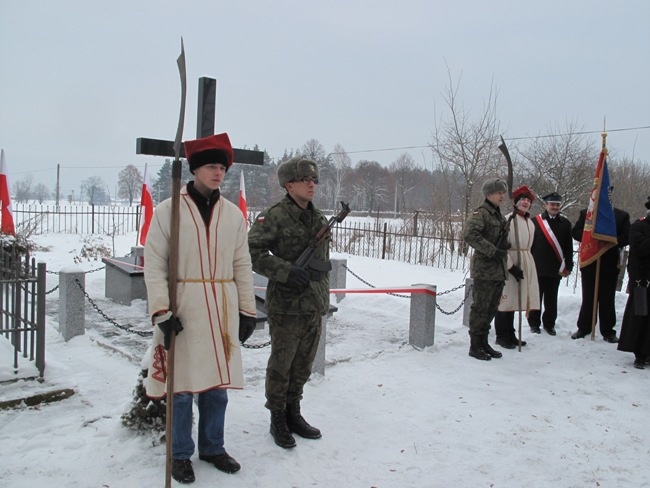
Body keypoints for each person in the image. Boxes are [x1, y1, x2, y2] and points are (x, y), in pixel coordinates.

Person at [143, 133, 258, 484]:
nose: (218, 173)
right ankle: (179, 454)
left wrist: (247, 310)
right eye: (211, 166)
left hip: (221, 309)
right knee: (181, 388)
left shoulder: (233, 216)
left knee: (216, 387)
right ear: (194, 169)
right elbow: (154, 263)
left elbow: (242, 263)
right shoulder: (168, 211)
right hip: (184, 309)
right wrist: (162, 311)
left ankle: (212, 446)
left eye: (222, 167)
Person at [248, 157, 330, 448]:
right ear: (289, 184)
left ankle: (294, 411)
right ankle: (278, 417)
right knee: (282, 365)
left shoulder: (319, 218)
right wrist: (284, 271)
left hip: (312, 304)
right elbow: (253, 251)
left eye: (314, 180)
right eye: (305, 180)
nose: (312, 185)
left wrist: (322, 298)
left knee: (303, 365)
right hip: (286, 306)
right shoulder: (273, 216)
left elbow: (322, 263)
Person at [571, 189, 630, 343]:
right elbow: (576, 232)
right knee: (588, 297)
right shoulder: (586, 214)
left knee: (607, 298)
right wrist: (591, 237)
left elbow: (627, 236)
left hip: (610, 263)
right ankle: (584, 328)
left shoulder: (621, 216)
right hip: (590, 263)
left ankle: (608, 331)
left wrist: (608, 240)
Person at [463, 177, 509, 361]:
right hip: (485, 270)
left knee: (491, 308)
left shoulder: (498, 215)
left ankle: (484, 342)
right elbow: (469, 234)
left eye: (503, 192)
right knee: (480, 308)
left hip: (498, 270)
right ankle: (475, 345)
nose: (502, 196)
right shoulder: (481, 214)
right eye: (499, 193)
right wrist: (492, 250)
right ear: (489, 194)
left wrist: (504, 246)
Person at [494, 185, 540, 349]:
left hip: (525, 260)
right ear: (517, 202)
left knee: (516, 300)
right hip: (510, 262)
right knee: (505, 300)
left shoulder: (530, 223)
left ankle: (511, 333)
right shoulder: (508, 220)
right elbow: (500, 246)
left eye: (528, 200)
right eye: (523, 200)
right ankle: (501, 335)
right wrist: (511, 266)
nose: (526, 203)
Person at [527, 192, 574, 336]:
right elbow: (529, 245)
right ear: (545, 205)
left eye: (557, 205)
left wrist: (569, 265)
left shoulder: (565, 224)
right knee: (536, 297)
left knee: (551, 299)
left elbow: (568, 247)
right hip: (537, 266)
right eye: (552, 204)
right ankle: (534, 324)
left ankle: (549, 324)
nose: (554, 207)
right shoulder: (535, 222)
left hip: (556, 268)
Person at [617, 197, 650, 369]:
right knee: (641, 318)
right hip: (643, 280)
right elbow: (639, 250)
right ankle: (640, 354)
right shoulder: (639, 227)